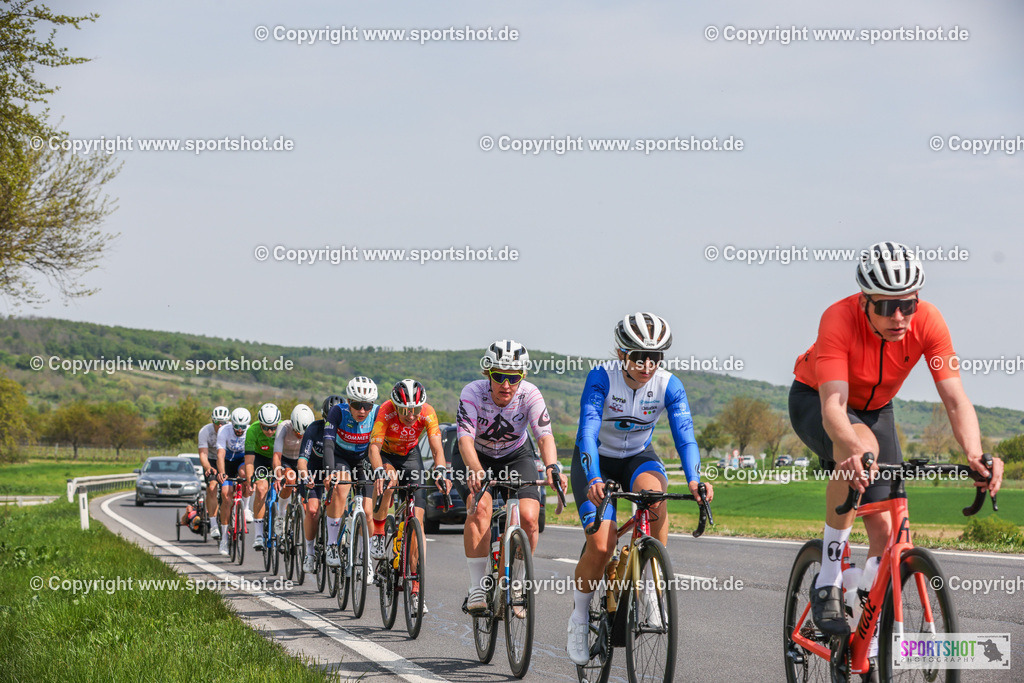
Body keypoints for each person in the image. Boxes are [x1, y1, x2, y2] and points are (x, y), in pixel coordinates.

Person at [790, 242, 1003, 665]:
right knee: (862, 450)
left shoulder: (929, 322)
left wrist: (976, 454)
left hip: (877, 407)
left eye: (907, 304)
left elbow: (955, 400)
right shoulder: (838, 318)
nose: (899, 317)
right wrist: (850, 447)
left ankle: (865, 620)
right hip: (818, 399)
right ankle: (829, 579)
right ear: (865, 302)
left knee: (889, 533)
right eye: (886, 307)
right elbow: (834, 407)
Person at [566, 312, 710, 665]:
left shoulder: (668, 385)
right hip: (595, 460)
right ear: (621, 355)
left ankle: (649, 587)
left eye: (655, 357)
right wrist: (595, 478)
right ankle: (579, 616)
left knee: (656, 498)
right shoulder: (602, 379)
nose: (647, 365)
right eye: (638, 356)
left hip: (638, 457)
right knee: (601, 546)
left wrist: (694, 478)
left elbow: (685, 436)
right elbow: (586, 432)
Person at [454, 340, 566, 614]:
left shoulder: (530, 394)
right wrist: (475, 468)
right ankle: (477, 586)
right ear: (488, 374)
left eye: (513, 378)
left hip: (515, 455)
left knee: (529, 517)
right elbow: (465, 440)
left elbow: (545, 436)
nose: (506, 384)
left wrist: (552, 466)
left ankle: (514, 580)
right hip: (476, 456)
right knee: (480, 508)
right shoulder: (472, 392)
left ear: (522, 378)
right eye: (499, 376)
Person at [368, 379, 452, 613]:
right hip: (386, 455)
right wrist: (378, 471)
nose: (411, 415)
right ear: (395, 406)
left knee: (418, 522)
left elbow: (436, 447)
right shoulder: (385, 411)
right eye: (405, 410)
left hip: (410, 455)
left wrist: (441, 470)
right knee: (391, 480)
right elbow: (373, 447)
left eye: (415, 410)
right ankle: (377, 530)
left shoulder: (427, 413)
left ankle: (415, 587)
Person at [317, 377, 380, 572]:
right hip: (340, 456)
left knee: (368, 512)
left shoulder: (377, 413)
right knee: (342, 487)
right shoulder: (338, 412)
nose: (362, 410)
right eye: (356, 404)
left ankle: (365, 557)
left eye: (367, 405)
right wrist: (329, 473)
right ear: (348, 402)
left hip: (363, 459)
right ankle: (332, 545)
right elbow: (328, 443)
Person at [271, 403, 315, 540]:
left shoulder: (313, 429)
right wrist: (278, 476)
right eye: (297, 432)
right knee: (290, 480)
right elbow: (277, 456)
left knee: (307, 502)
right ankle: (280, 515)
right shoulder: (283, 427)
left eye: (303, 434)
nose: (300, 436)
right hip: (287, 461)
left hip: (304, 461)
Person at [244, 403, 281, 551]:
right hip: (259, 458)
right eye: (265, 427)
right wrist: (250, 480)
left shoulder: (282, 429)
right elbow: (249, 461)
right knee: (261, 489)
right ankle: (258, 535)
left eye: (273, 428)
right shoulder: (252, 430)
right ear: (260, 424)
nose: (269, 431)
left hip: (278, 457)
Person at [215, 407, 251, 555]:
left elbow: (250, 456)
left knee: (245, 476)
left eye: (242, 427)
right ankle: (224, 538)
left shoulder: (250, 431)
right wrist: (222, 473)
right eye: (236, 426)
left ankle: (246, 508)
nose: (239, 430)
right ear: (232, 423)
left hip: (242, 460)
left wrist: (249, 477)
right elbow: (220, 454)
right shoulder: (224, 430)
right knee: (226, 495)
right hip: (227, 462)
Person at [197, 405, 229, 539]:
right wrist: (208, 468)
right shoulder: (205, 431)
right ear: (212, 421)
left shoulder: (232, 430)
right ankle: (214, 523)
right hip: (211, 460)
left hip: (227, 460)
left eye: (224, 423)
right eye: (217, 422)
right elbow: (203, 455)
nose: (220, 425)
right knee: (211, 488)